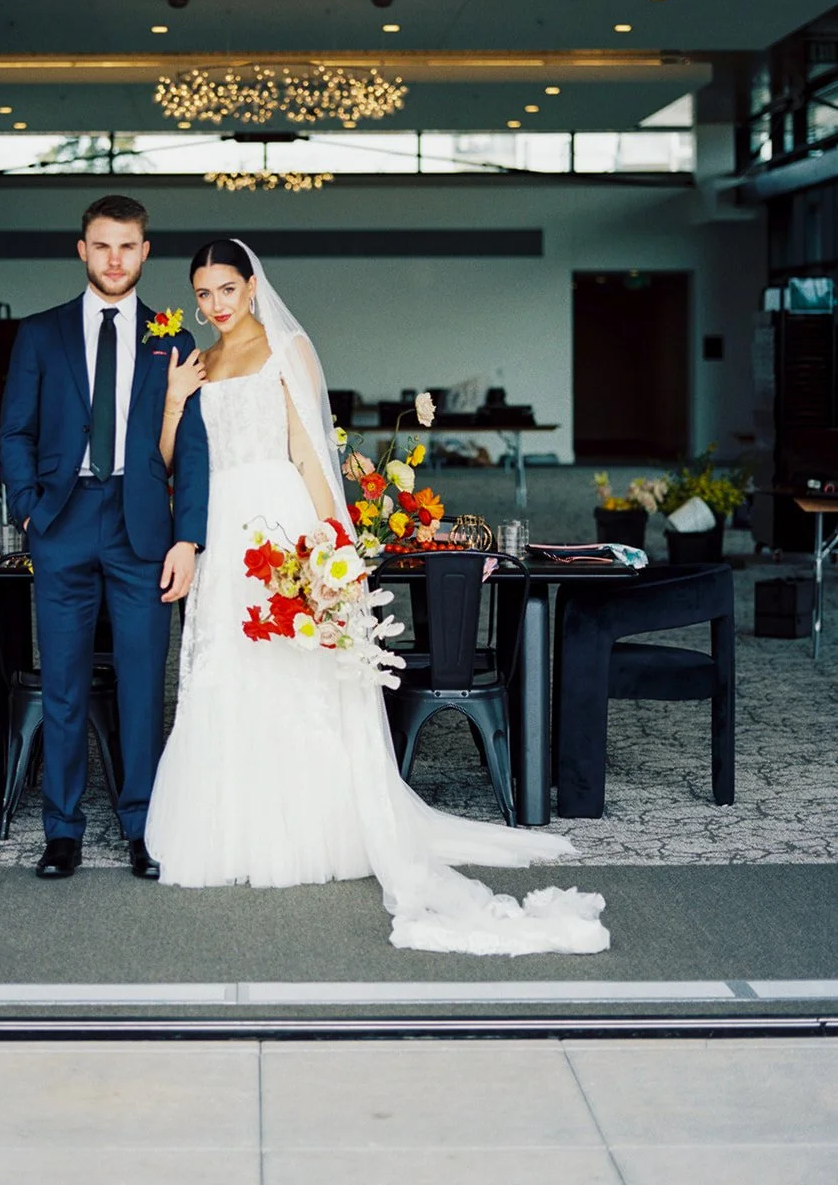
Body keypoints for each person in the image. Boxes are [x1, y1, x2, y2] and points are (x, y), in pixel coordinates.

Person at [145, 237, 610, 955]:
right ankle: (232, 827)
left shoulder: (286, 350)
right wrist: (175, 404)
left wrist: (336, 549)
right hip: (217, 529)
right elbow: (178, 463)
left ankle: (310, 828)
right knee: (223, 670)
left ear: (251, 286)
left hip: (278, 519)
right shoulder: (198, 363)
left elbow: (308, 456)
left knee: (291, 669)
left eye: (226, 290)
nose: (215, 305)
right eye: (203, 293)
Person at [0, 196, 209, 881]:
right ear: (81, 250)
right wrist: (29, 508)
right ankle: (62, 831)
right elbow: (15, 432)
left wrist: (189, 540)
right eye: (102, 246)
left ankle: (144, 828)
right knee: (63, 684)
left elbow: (195, 450)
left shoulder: (173, 338)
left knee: (145, 685)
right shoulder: (39, 334)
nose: (115, 259)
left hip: (141, 526)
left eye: (128, 246)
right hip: (61, 522)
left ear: (146, 252)